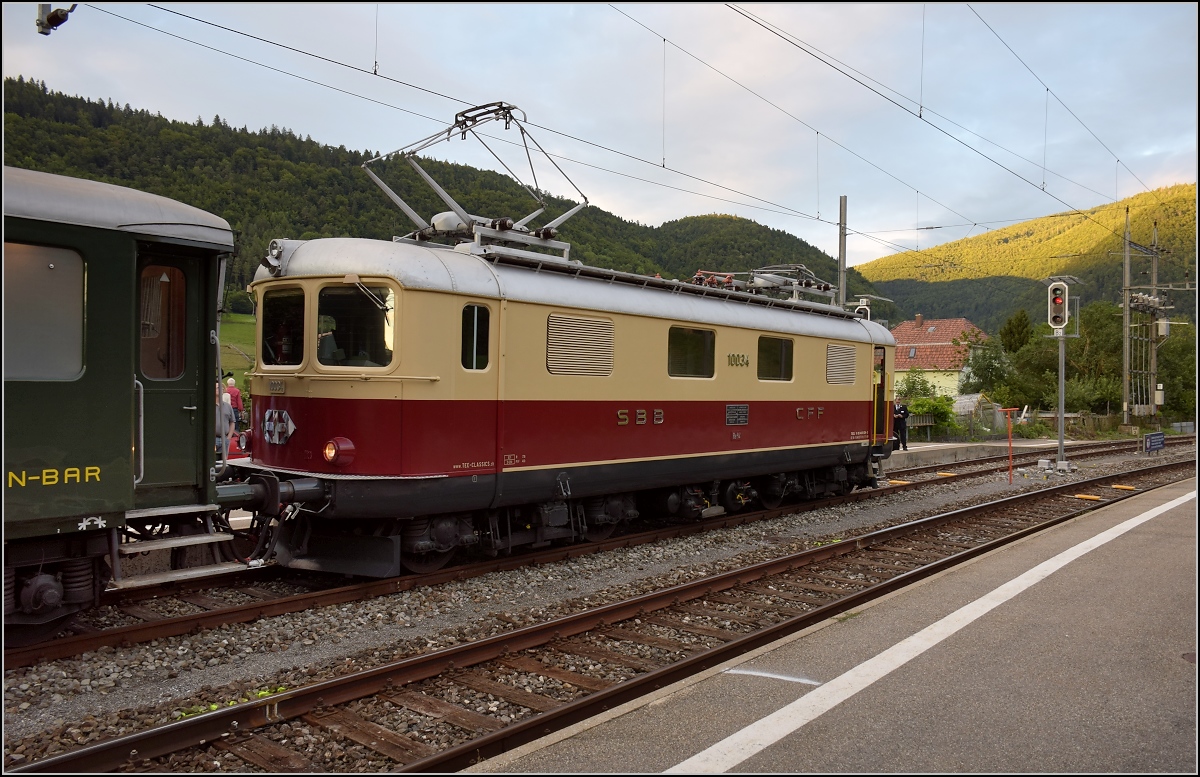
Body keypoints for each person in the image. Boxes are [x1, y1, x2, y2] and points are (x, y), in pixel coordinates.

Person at [216, 383, 236, 453]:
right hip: (212, 440)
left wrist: (228, 437)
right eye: (218, 387)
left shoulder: (228, 406)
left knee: (223, 462)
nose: (221, 389)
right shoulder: (208, 406)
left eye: (221, 387)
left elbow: (232, 422)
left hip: (225, 439)